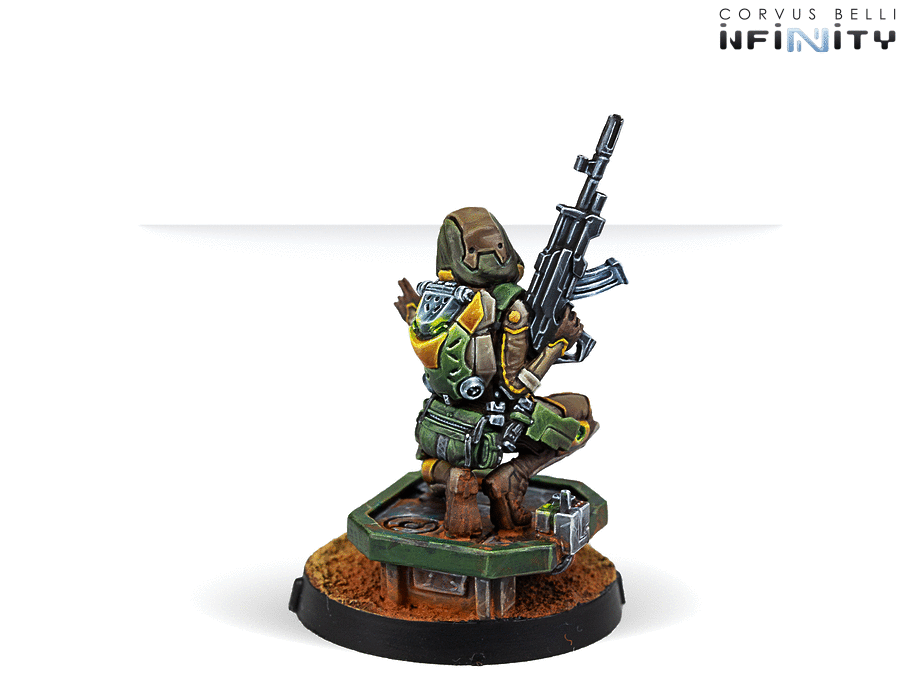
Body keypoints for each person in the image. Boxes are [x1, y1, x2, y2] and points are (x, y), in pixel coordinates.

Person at [395, 207, 598, 534]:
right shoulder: (510, 307)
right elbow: (516, 386)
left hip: (438, 425)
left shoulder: (432, 301)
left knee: (431, 468)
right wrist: (559, 343)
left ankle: (450, 476)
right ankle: (511, 478)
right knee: (582, 416)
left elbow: (426, 335)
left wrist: (410, 307)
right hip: (491, 426)